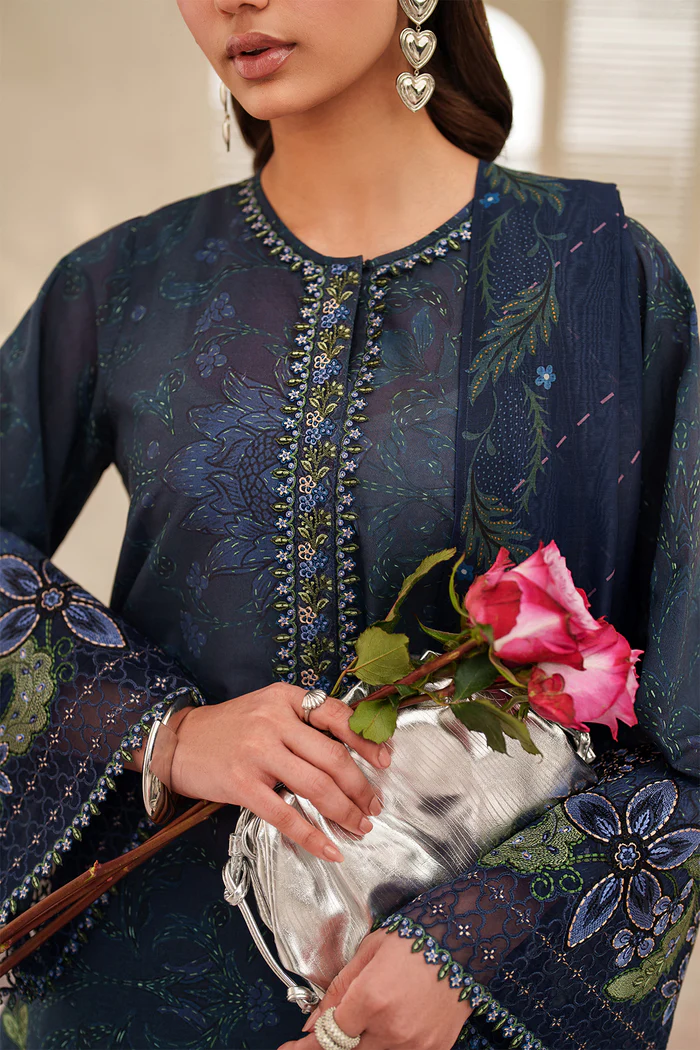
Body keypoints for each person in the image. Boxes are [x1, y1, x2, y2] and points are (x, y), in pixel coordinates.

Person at [0, 1, 698, 1047]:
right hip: (130, 992)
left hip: (457, 1014)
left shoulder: (595, 281)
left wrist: (474, 949)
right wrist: (159, 732)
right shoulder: (125, 284)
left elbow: (686, 721)